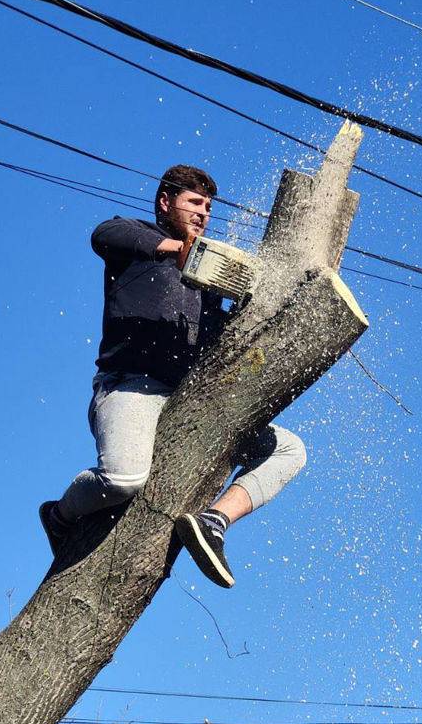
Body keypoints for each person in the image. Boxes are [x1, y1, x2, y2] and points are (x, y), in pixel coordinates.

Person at [40, 163, 306, 588]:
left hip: (190, 400)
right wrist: (172, 249)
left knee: (290, 449)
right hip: (130, 386)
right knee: (125, 478)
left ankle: (215, 521)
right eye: (194, 203)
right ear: (166, 202)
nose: (203, 213)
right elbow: (103, 233)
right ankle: (59, 514)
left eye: (208, 207)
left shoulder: (208, 281)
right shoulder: (133, 240)